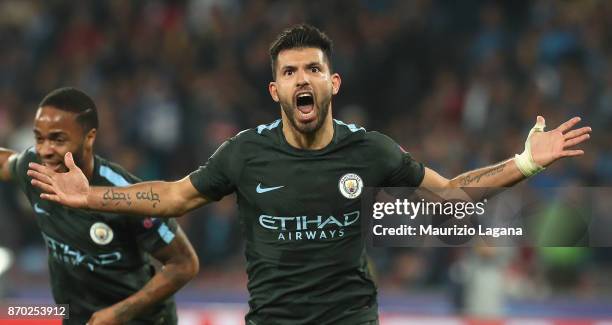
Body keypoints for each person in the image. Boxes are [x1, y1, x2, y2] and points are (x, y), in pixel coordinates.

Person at [26, 25, 592, 325]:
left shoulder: (369, 149)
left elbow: (449, 194)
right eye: (290, 70)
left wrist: (525, 163)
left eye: (313, 69)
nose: (303, 78)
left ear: (333, 83)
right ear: (276, 90)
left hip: (349, 318)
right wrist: (91, 194)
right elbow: (173, 197)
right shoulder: (244, 154)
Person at [0, 87, 199, 325]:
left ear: (89, 138)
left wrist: (119, 313)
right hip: (77, 317)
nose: (45, 150)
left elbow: (184, 263)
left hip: (139, 320)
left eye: (58, 139)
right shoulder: (34, 169)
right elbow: (5, 163)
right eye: (39, 138)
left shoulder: (123, 193)